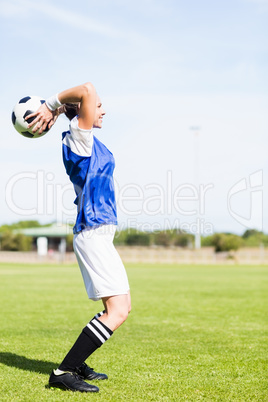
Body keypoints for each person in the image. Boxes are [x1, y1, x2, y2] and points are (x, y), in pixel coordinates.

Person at [27, 83, 131, 393]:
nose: (102, 109)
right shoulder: (80, 138)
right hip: (92, 234)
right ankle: (64, 371)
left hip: (98, 233)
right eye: (98, 105)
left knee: (121, 306)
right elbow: (86, 88)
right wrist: (51, 104)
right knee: (119, 310)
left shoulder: (87, 140)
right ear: (83, 110)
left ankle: (77, 362)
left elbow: (84, 97)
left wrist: (60, 108)